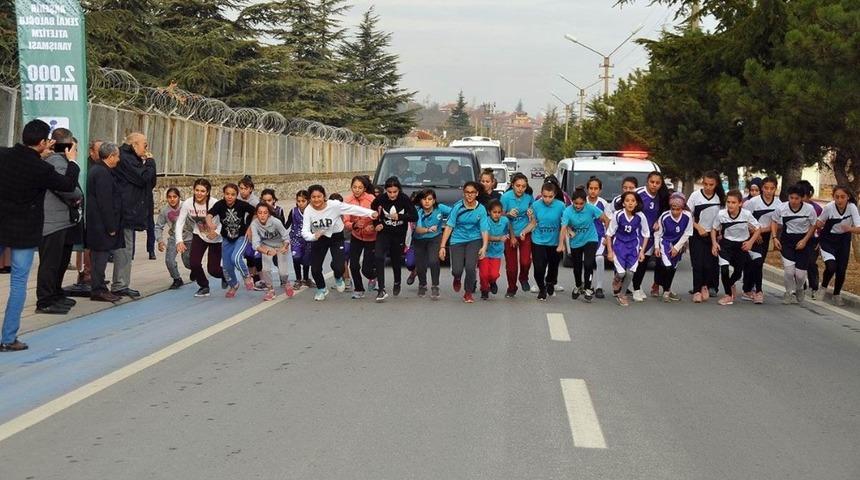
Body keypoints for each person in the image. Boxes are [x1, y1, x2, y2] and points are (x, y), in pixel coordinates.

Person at [0, 120, 79, 351]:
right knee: (18, 284)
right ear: (44, 142)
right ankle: (7, 338)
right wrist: (71, 160)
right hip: (24, 232)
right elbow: (67, 184)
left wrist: (39, 155)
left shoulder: (4, 155)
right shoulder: (41, 169)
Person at [301, 184, 377, 301]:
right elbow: (304, 231)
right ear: (310, 199)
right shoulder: (308, 210)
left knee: (339, 266)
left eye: (319, 196)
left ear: (324, 196)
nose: (316, 200)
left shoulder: (334, 205)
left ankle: (338, 277)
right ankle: (321, 289)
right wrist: (313, 236)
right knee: (315, 268)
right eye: (313, 197)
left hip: (336, 237)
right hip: (319, 238)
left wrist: (370, 213)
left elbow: (352, 208)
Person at [36, 128, 83, 315]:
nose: (74, 152)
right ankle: (45, 300)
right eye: (72, 147)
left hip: (60, 220)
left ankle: (55, 294)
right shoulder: (57, 162)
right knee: (50, 263)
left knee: (59, 261)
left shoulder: (59, 162)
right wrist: (78, 197)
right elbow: (67, 188)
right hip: (52, 222)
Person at [111, 132, 157, 299]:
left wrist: (148, 165)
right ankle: (119, 285)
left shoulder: (133, 159)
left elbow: (150, 182)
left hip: (131, 211)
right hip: (125, 212)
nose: (146, 148)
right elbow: (143, 177)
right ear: (134, 144)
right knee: (124, 249)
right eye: (144, 144)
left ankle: (121, 283)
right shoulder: (126, 159)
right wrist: (150, 162)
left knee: (126, 249)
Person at [87, 142, 125, 305]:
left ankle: (100, 286)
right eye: (117, 156)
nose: (118, 159)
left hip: (98, 224)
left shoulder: (100, 170)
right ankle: (98, 289)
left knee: (99, 257)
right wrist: (111, 226)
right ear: (110, 156)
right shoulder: (102, 173)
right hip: (101, 225)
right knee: (99, 257)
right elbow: (105, 202)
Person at [439, 181, 489, 303]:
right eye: (467, 192)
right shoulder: (457, 207)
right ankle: (457, 278)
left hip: (474, 240)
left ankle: (468, 292)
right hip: (457, 240)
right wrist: (442, 246)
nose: (469, 195)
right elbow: (449, 226)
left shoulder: (481, 209)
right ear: (463, 194)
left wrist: (484, 246)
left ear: (477, 194)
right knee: (457, 270)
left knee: (471, 268)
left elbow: (484, 229)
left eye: (472, 193)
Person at [712, 190, 762, 306]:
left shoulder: (746, 214)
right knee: (724, 269)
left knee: (738, 273)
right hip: (726, 245)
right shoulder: (721, 214)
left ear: (740, 203)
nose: (730, 205)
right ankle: (728, 295)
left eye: (733, 202)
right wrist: (714, 243)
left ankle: (730, 284)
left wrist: (750, 242)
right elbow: (714, 229)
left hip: (741, 246)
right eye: (728, 202)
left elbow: (758, 228)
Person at [371, 177, 417, 302]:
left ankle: (397, 281)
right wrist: (376, 224)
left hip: (398, 234)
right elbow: (373, 210)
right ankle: (381, 289)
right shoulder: (381, 199)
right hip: (384, 233)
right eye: (389, 192)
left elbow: (414, 216)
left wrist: (400, 216)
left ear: (399, 190)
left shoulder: (404, 199)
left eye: (395, 192)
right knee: (379, 257)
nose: (392, 195)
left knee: (396, 260)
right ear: (386, 190)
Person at [175, 178, 223, 297]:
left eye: (202, 191)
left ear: (207, 192)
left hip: (215, 239)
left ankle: (226, 275)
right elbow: (180, 222)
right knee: (194, 263)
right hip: (199, 235)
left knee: (213, 270)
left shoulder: (215, 203)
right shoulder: (188, 203)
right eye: (197, 190)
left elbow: (224, 221)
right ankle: (204, 286)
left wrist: (217, 232)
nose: (199, 193)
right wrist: (179, 240)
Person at [207, 183, 256, 298]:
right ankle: (233, 285)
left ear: (236, 195)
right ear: (224, 194)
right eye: (227, 194)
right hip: (227, 239)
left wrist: (250, 228)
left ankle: (247, 276)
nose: (229, 197)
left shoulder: (242, 204)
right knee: (227, 267)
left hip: (241, 237)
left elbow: (255, 213)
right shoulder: (220, 205)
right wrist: (210, 224)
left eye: (233, 194)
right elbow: (209, 215)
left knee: (236, 258)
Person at [561, 187, 609, 302]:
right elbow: (563, 226)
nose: (578, 206)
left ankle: (588, 288)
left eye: (581, 204)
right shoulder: (567, 211)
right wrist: (567, 233)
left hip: (590, 239)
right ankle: (578, 285)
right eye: (575, 203)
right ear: (572, 201)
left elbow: (606, 220)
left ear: (585, 202)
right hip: (576, 241)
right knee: (577, 267)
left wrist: (608, 236)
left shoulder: (591, 208)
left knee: (588, 264)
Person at [771, 185, 817, 305]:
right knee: (789, 271)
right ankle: (788, 292)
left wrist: (805, 240)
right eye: (791, 198)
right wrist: (775, 237)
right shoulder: (781, 208)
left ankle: (799, 288)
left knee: (800, 275)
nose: (794, 201)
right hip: (787, 242)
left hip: (804, 242)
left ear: (802, 198)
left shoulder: (809, 209)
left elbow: (813, 225)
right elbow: (774, 221)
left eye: (797, 198)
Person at [817, 186, 860, 306]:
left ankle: (836, 294)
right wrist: (819, 224)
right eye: (837, 197)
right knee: (831, 267)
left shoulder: (852, 207)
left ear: (848, 197)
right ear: (833, 197)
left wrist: (850, 228)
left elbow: (858, 228)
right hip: (828, 240)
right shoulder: (829, 207)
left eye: (842, 197)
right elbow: (818, 222)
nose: (840, 200)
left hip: (844, 240)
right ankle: (823, 288)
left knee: (841, 270)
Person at [522, 183, 566, 301]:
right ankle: (542, 289)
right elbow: (533, 223)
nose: (547, 199)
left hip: (554, 242)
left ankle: (550, 283)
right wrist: (524, 231)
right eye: (545, 196)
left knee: (553, 267)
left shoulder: (561, 206)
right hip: (538, 241)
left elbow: (565, 223)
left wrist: (568, 235)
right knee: (538, 268)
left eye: (550, 196)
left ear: (554, 195)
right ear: (541, 194)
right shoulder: (535, 205)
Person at [605, 192, 650, 307]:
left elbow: (646, 234)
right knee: (621, 273)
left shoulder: (640, 216)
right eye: (627, 201)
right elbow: (609, 234)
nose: (630, 203)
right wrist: (610, 251)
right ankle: (616, 279)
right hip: (619, 246)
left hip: (633, 246)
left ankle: (622, 294)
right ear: (623, 203)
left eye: (633, 201)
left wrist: (642, 251)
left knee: (630, 273)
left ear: (636, 203)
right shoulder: (618, 215)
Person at [631, 171, 670, 301]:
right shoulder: (638, 193)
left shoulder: (662, 196)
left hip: (651, 236)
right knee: (633, 261)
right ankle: (631, 287)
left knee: (643, 262)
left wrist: (658, 221)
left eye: (657, 183)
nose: (654, 185)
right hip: (635, 233)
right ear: (647, 181)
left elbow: (665, 211)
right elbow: (620, 204)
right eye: (652, 182)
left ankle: (637, 287)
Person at [687, 171, 725, 302]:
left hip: (713, 235)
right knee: (697, 263)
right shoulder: (695, 196)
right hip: (697, 234)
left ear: (716, 184)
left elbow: (723, 217)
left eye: (711, 184)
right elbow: (687, 215)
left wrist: (720, 233)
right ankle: (697, 290)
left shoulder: (720, 198)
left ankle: (706, 286)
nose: (708, 187)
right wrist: (697, 227)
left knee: (709, 264)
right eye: (706, 184)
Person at [741, 176, 781, 304]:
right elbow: (744, 219)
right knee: (752, 263)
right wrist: (754, 232)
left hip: (765, 236)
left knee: (758, 263)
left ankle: (749, 288)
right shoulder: (752, 202)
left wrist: (761, 231)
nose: (768, 191)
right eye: (766, 188)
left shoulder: (778, 204)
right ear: (762, 188)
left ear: (776, 189)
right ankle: (757, 290)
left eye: (772, 188)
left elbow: (779, 223)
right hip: (750, 235)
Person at [653, 193, 693, 302]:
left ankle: (668, 290)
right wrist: (657, 247)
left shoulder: (688, 216)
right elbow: (658, 233)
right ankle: (666, 292)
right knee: (668, 267)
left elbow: (687, 233)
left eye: (678, 209)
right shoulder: (664, 216)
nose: (675, 212)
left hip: (678, 244)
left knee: (673, 268)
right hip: (665, 243)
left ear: (682, 208)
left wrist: (677, 247)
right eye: (673, 208)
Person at [412, 189, 451, 299]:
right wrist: (428, 229)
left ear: (434, 201)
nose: (427, 202)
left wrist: (450, 222)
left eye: (430, 199)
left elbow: (454, 212)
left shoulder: (440, 208)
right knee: (420, 264)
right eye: (424, 199)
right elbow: (418, 229)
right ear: (420, 201)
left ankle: (435, 285)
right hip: (419, 239)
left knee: (434, 261)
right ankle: (422, 284)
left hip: (435, 238)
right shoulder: (418, 211)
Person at [251, 203, 294, 301]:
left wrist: (285, 246)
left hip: (280, 245)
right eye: (260, 213)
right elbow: (255, 243)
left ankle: (286, 282)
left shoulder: (276, 222)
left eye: (265, 213)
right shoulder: (254, 224)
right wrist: (265, 251)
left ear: (269, 214)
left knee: (283, 272)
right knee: (265, 269)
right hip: (266, 246)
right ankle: (270, 290)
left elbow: (286, 236)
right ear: (256, 214)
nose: (262, 215)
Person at [501, 173, 534, 297]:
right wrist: (508, 214)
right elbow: (499, 215)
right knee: (511, 266)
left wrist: (531, 214)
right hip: (510, 234)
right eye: (518, 186)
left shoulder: (529, 197)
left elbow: (533, 214)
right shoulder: (505, 197)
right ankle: (512, 287)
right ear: (512, 185)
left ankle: (523, 277)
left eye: (523, 186)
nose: (520, 189)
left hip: (524, 232)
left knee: (525, 261)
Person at [344, 176, 378, 299]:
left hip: (371, 237)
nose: (357, 190)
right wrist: (354, 225)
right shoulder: (347, 201)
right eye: (354, 187)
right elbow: (345, 221)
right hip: (356, 236)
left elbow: (378, 217)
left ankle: (373, 276)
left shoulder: (371, 199)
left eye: (360, 187)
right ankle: (359, 289)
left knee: (366, 269)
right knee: (353, 264)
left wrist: (373, 227)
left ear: (364, 188)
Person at [156, 188, 193, 289]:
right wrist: (160, 240)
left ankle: (195, 269)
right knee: (169, 260)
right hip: (174, 237)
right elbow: (158, 226)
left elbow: (195, 221)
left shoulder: (186, 206)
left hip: (188, 237)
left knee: (187, 262)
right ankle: (177, 279)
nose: (172, 199)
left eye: (174, 197)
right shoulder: (165, 210)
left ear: (179, 197)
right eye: (169, 197)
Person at [798, 180, 823, 299]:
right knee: (798, 264)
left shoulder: (817, 209)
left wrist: (820, 241)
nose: (800, 199)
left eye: (803, 196)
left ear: (809, 195)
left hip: (813, 240)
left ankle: (814, 287)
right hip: (797, 238)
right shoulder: (791, 206)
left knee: (811, 263)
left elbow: (823, 225)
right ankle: (801, 287)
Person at [586, 177, 610, 298]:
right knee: (588, 262)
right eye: (591, 188)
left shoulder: (603, 203)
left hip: (599, 237)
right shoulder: (582, 202)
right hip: (585, 237)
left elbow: (608, 221)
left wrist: (607, 237)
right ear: (587, 189)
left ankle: (599, 287)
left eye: (596, 188)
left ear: (600, 190)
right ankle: (588, 285)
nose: (593, 191)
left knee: (599, 258)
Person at [479, 200, 509, 300]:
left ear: (502, 212)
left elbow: (508, 230)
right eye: (494, 212)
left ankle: (492, 282)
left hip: (497, 252)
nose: (497, 215)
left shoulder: (504, 221)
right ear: (489, 212)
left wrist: (509, 237)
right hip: (485, 251)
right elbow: (484, 235)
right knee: (484, 274)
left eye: (499, 212)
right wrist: (498, 238)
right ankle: (484, 290)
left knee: (494, 274)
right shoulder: (486, 221)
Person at [284, 190, 312, 289]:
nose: (300, 203)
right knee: (296, 258)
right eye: (298, 201)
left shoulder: (312, 211)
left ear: (308, 201)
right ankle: (298, 279)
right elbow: (287, 224)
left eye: (303, 201)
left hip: (308, 240)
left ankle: (306, 278)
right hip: (296, 239)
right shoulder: (293, 211)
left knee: (306, 260)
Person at [328, 192, 352, 290]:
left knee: (341, 261)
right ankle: (342, 280)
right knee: (338, 261)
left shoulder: (344, 214)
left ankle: (346, 281)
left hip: (346, 240)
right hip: (336, 240)